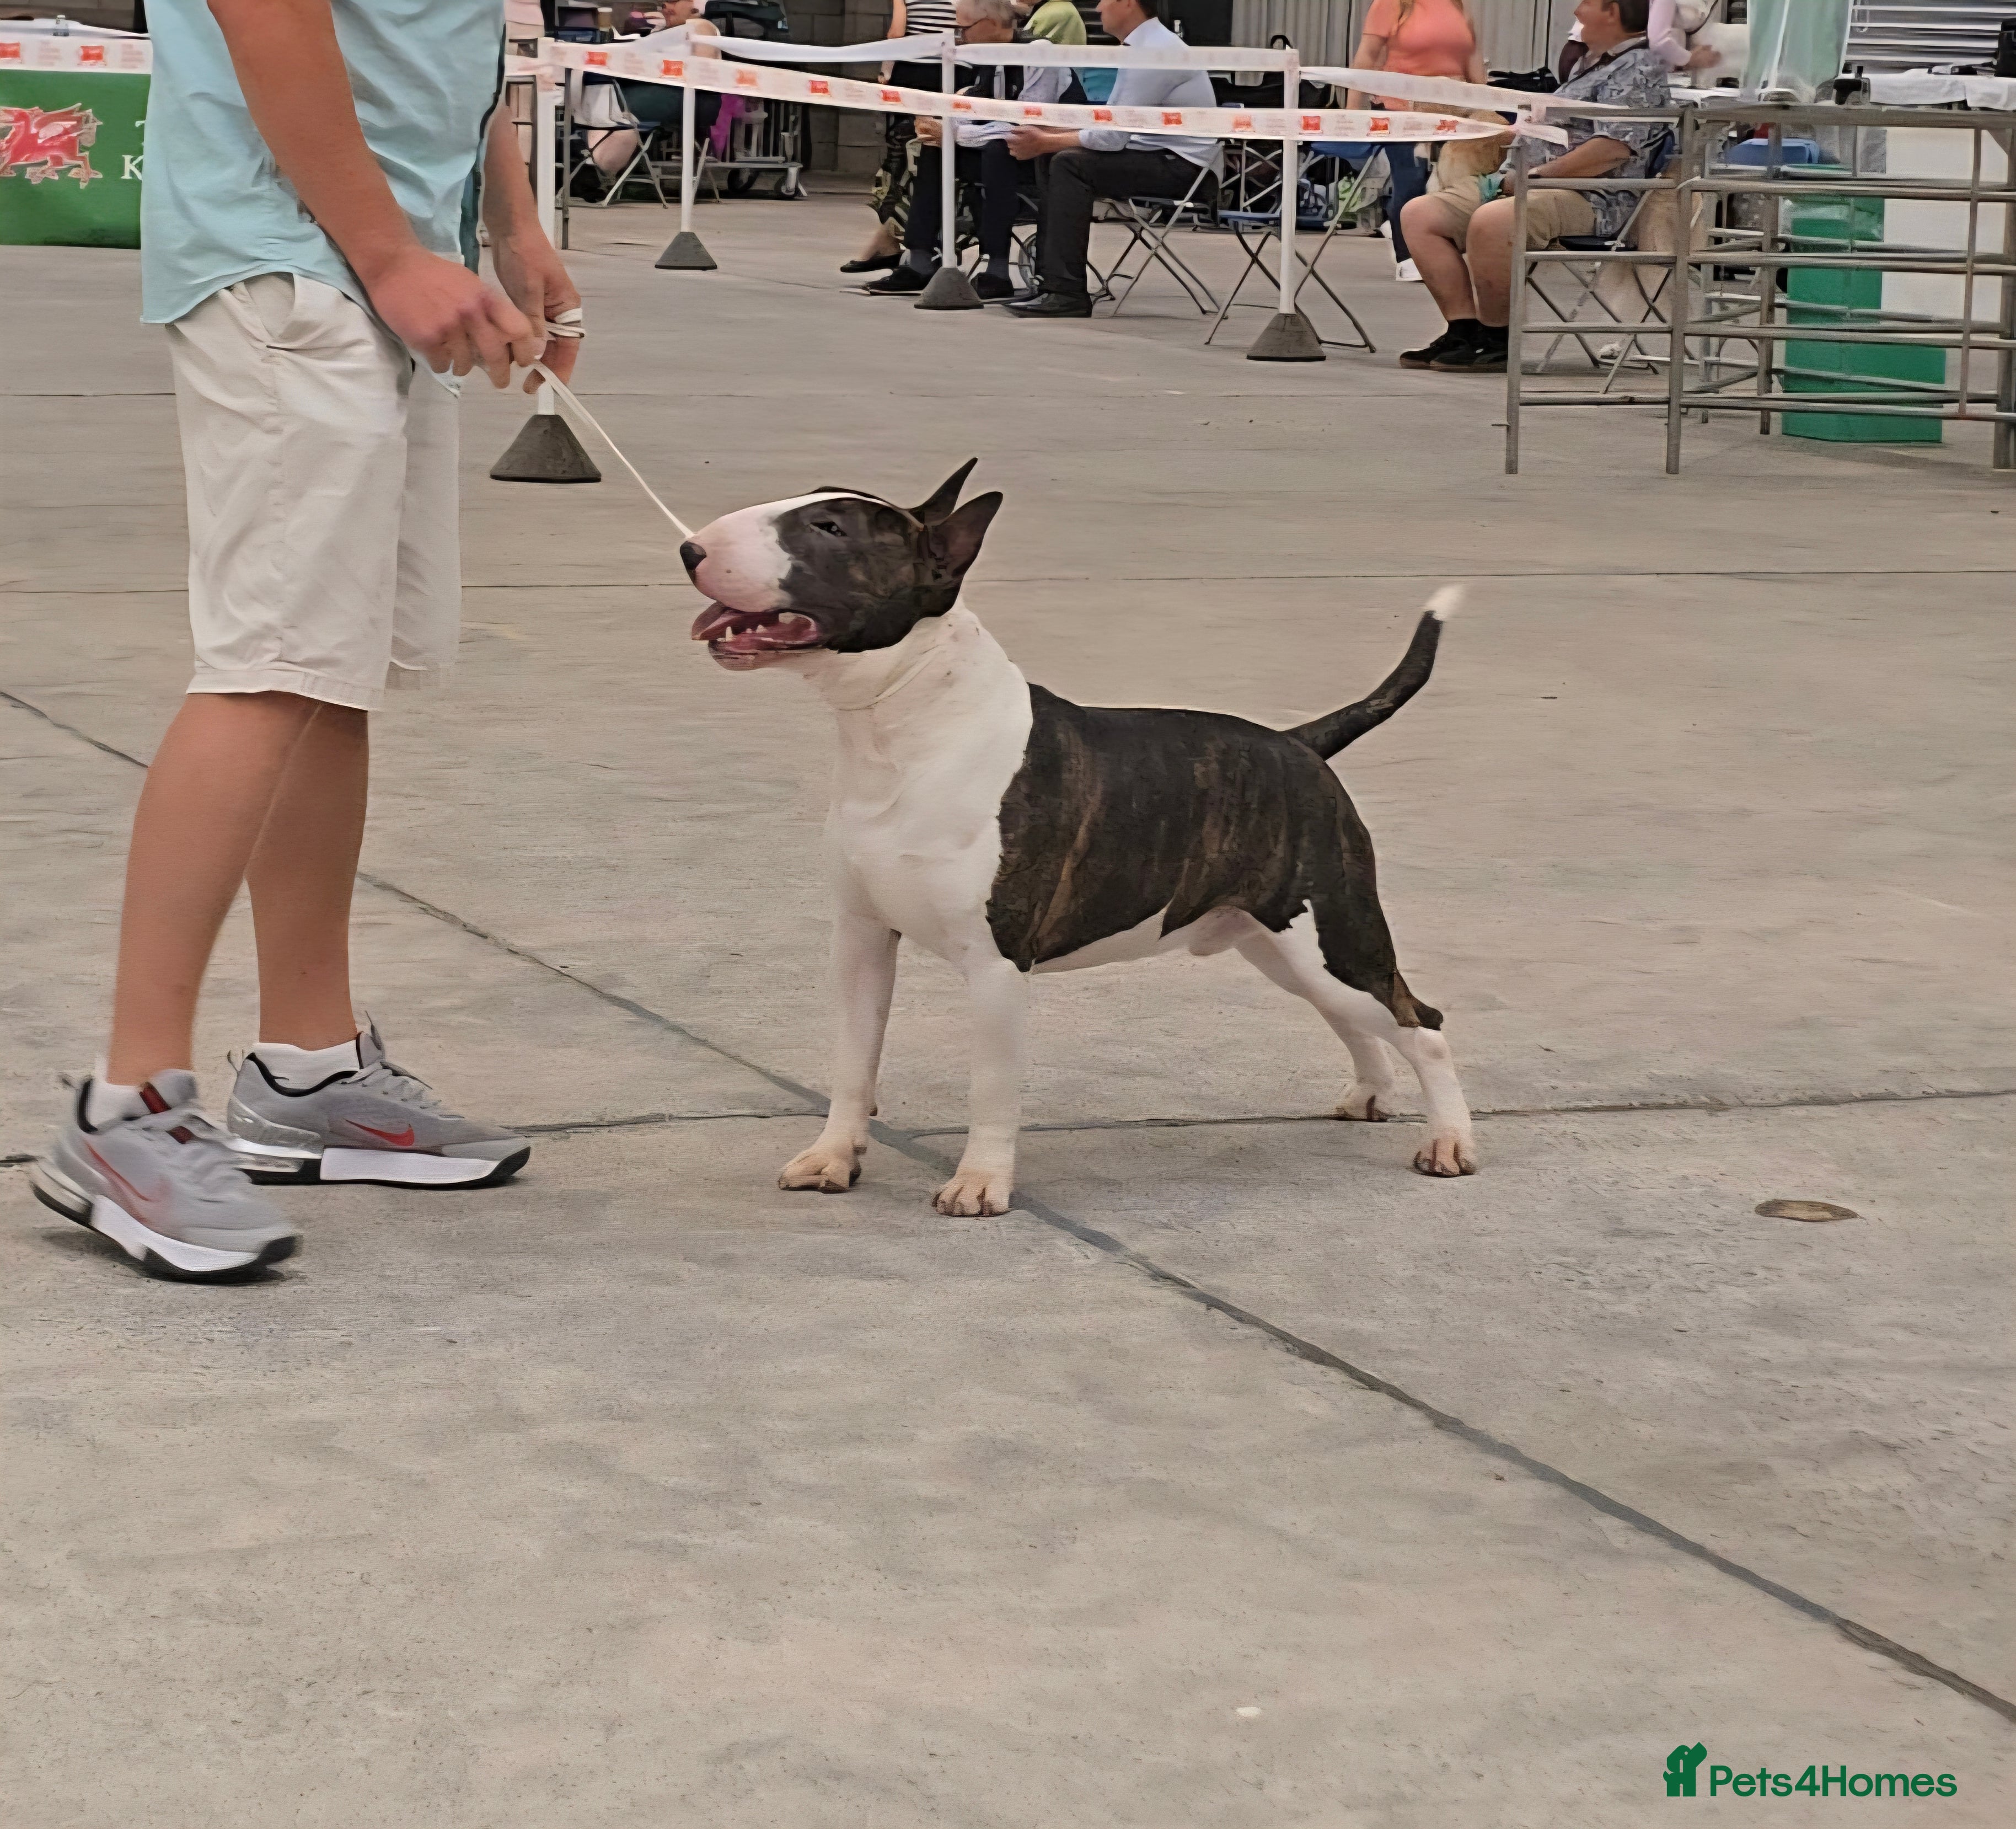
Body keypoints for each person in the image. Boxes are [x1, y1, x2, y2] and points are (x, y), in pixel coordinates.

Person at [29, 0, 576, 1282]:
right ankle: (127, 1106)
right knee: (267, 668)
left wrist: (510, 224)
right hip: (299, 254)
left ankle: (308, 1068)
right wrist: (388, 251)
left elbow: (450, 39)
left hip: (382, 258)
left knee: (332, 676)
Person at [1395, 0, 1669, 373]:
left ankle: (1496, 339)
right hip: (1524, 180)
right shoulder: (1593, 62)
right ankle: (1464, 331)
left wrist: (1536, 177)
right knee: (1419, 215)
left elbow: (1612, 149)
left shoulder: (1640, 68)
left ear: (1613, 12)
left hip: (1591, 196)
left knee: (1493, 222)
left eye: (1587, 3)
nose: (1576, 12)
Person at [1003, 0, 1220, 319]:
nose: (1100, 6)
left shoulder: (1154, 52)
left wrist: (1047, 140)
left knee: (1066, 162)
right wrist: (1053, 136)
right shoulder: (1142, 46)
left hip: (1184, 168)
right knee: (1055, 157)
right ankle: (1051, 283)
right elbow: (1111, 125)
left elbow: (1111, 137)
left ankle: (1066, 293)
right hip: (1157, 154)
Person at [864, 0, 1076, 301]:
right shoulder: (985, 57)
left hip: (1046, 154)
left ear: (991, 23)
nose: (958, 36)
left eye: (963, 28)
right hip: (1000, 147)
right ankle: (921, 259)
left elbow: (1026, 124)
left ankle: (997, 269)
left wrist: (956, 132)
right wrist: (940, 122)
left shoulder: (1038, 53)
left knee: (997, 150)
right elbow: (972, 102)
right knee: (936, 148)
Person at [1343, 0, 1486, 284]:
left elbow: (1472, 61)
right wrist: (1351, 111)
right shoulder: (1391, 4)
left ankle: (1438, 246)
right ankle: (1407, 257)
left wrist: (1485, 107)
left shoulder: (1458, 8)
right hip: (1401, 109)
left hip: (1451, 110)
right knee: (1412, 181)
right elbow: (1367, 56)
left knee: (1457, 183)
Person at [843, 0, 963, 276]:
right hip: (954, 72)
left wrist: (886, 69)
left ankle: (890, 240)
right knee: (918, 153)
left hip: (913, 71)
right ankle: (891, 239)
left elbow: (897, 33)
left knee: (901, 158)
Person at [577, 0, 721, 197]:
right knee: (607, 92)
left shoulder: (700, 26)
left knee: (610, 96)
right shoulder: (668, 31)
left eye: (673, 2)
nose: (666, 8)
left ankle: (595, 165)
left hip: (692, 98)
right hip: (667, 93)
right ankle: (596, 166)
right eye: (663, 4)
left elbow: (703, 72)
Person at [1017, 0, 1086, 47]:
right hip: (1069, 62)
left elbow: (1027, 42)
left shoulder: (1054, 10)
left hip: (1055, 63)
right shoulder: (1066, 7)